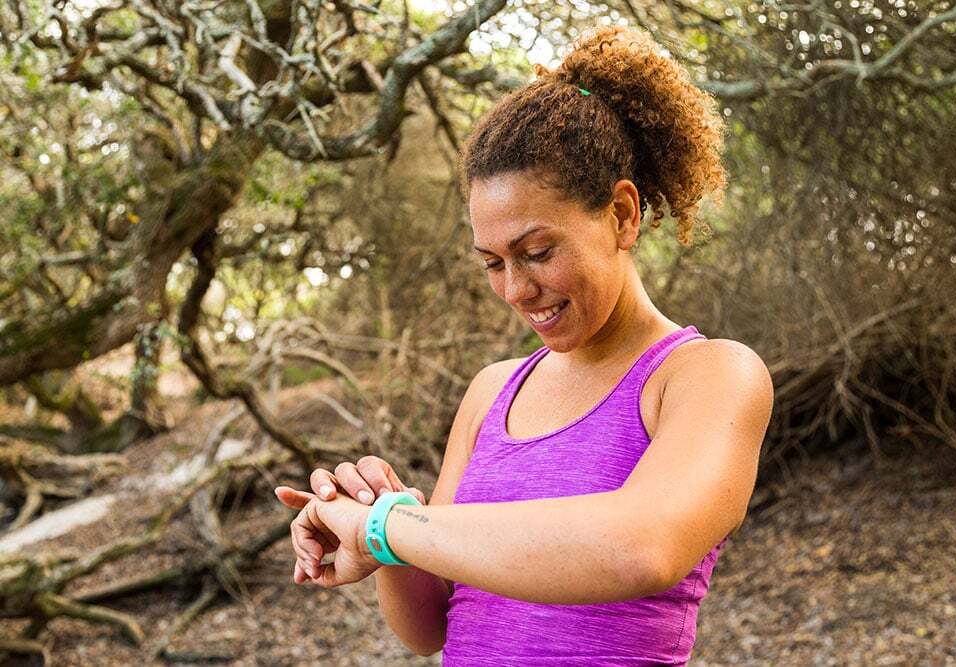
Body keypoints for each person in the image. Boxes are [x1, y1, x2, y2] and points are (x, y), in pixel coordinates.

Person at [274, 24, 773, 666]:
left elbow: (641, 549)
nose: (515, 289)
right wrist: (383, 524)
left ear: (622, 215)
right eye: (492, 262)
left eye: (536, 252)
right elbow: (428, 629)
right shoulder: (493, 391)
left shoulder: (708, 376)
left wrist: (387, 527)